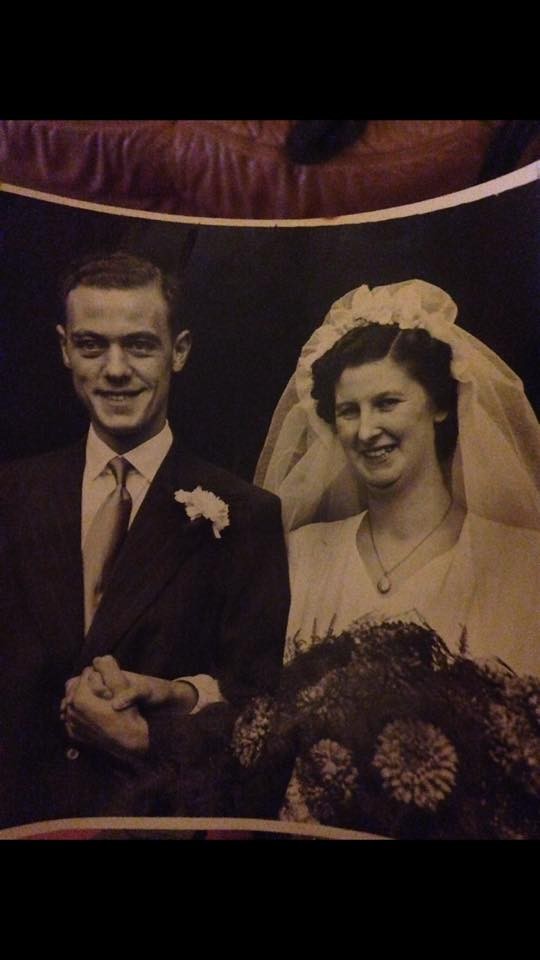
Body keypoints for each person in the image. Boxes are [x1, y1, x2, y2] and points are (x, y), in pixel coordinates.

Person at [0, 251, 289, 827]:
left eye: (138, 345)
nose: (115, 369)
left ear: (178, 351)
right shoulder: (10, 495)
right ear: (63, 349)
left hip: (154, 821)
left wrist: (144, 740)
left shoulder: (246, 515)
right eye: (91, 345)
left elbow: (258, 709)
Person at [256, 278, 540, 675]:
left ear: (438, 405)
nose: (366, 430)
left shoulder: (521, 563)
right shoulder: (302, 556)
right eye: (349, 411)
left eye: (387, 403)